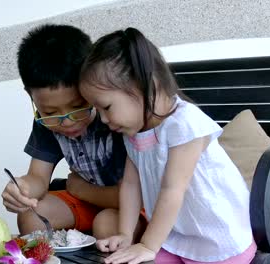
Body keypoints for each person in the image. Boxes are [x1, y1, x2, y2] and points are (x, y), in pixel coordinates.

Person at [79, 27, 256, 264]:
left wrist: (147, 245)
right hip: (177, 238)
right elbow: (131, 185)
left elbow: (173, 189)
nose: (102, 119)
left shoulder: (184, 124)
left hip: (219, 239)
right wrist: (126, 233)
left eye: (107, 107)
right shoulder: (134, 132)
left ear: (144, 85)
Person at [1, 24, 146, 239]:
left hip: (131, 207)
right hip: (88, 202)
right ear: (30, 96)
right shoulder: (46, 122)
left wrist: (82, 190)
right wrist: (22, 190)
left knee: (106, 224)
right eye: (50, 111)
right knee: (31, 218)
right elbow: (38, 177)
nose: (67, 121)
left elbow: (138, 194)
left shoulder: (116, 117)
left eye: (78, 106)